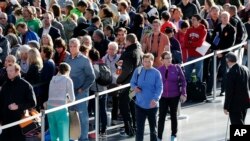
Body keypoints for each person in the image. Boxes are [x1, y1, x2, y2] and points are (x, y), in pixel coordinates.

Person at [65, 38, 95, 141]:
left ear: (79, 47)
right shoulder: (67, 58)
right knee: (72, 115)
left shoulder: (85, 60)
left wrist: (83, 88)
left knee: (82, 116)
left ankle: (84, 138)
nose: (72, 48)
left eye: (75, 46)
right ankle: (73, 136)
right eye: (71, 46)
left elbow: (91, 77)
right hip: (70, 92)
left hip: (81, 92)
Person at [130, 53, 163, 141]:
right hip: (139, 105)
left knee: (153, 130)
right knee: (139, 130)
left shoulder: (157, 73)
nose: (147, 63)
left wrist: (155, 99)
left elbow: (159, 88)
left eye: (149, 61)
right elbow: (132, 82)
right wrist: (135, 88)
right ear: (142, 62)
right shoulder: (138, 70)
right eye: (145, 61)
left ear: (153, 62)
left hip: (152, 106)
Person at [0, 63, 37, 141]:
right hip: (6, 121)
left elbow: (33, 103)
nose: (8, 73)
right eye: (7, 71)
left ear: (17, 72)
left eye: (11, 71)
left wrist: (18, 106)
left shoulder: (26, 85)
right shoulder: (5, 85)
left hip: (19, 121)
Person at [157, 51, 187, 141]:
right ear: (162, 60)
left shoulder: (177, 68)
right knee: (161, 116)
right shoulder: (159, 70)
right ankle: (159, 136)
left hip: (174, 95)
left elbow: (183, 81)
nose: (169, 59)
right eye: (166, 58)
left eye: (170, 57)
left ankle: (174, 135)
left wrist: (184, 93)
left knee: (174, 115)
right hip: (162, 96)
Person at [117, 33, 143, 137]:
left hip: (127, 84)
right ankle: (135, 127)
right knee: (132, 105)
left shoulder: (128, 53)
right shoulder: (139, 51)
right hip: (136, 83)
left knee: (124, 106)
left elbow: (127, 70)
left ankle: (129, 129)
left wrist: (119, 80)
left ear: (128, 41)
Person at [47, 62, 75, 141]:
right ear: (68, 71)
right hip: (61, 108)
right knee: (63, 133)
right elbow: (72, 98)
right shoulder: (67, 80)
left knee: (53, 134)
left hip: (50, 108)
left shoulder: (52, 79)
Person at [224, 52, 250, 125]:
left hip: (235, 105)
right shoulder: (245, 69)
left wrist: (226, 107)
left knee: (237, 125)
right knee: (242, 122)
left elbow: (229, 92)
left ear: (228, 61)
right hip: (245, 101)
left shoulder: (231, 73)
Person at [89, 49, 108, 137]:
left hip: (96, 91)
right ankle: (104, 129)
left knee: (97, 111)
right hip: (104, 90)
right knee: (103, 110)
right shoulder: (103, 64)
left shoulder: (94, 66)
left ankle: (98, 130)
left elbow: (93, 79)